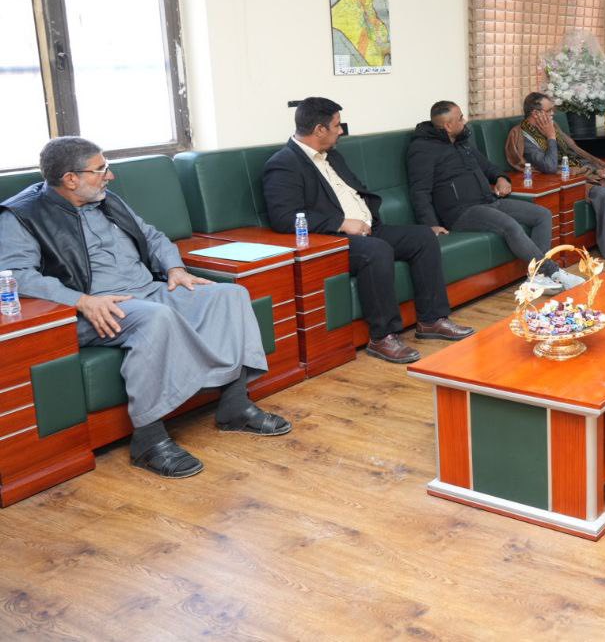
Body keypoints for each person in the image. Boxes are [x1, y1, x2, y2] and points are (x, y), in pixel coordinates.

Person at [0, 137, 290, 479]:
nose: (110, 176)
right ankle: (148, 442)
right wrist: (81, 300)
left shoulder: (107, 199)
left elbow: (152, 236)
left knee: (229, 296)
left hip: (149, 289)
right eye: (101, 170)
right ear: (71, 179)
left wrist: (175, 268)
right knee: (156, 319)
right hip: (96, 306)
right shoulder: (23, 215)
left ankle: (235, 405)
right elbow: (16, 275)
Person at [262, 97, 473, 365]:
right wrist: (340, 223)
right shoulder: (284, 164)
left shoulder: (332, 155)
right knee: (377, 251)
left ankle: (432, 320)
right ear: (319, 130)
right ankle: (382, 337)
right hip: (331, 240)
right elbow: (283, 217)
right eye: (337, 125)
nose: (341, 131)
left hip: (368, 230)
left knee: (423, 237)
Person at [407, 101, 586, 294]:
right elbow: (419, 191)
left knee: (542, 215)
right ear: (448, 126)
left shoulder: (462, 142)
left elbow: (488, 167)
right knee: (509, 225)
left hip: (488, 201)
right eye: (460, 118)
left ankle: (536, 277)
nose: (465, 121)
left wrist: (501, 178)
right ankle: (551, 271)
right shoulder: (422, 149)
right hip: (460, 212)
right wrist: (431, 225)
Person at [505, 92, 605, 257]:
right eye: (549, 111)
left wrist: (596, 168)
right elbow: (549, 166)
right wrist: (551, 137)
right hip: (563, 181)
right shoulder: (523, 136)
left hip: (582, 173)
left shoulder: (553, 127)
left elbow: (574, 154)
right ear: (536, 113)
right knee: (601, 194)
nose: (553, 114)